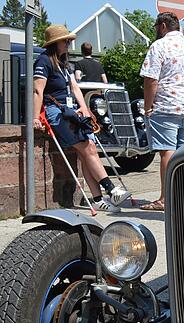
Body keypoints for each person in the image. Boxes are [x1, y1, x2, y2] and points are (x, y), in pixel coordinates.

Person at [32, 25, 130, 212]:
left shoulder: (64, 64)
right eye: (66, 40)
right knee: (88, 148)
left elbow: (75, 87)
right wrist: (36, 117)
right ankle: (111, 189)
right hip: (57, 112)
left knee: (87, 151)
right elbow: (38, 90)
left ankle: (97, 199)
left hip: (72, 111)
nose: (69, 43)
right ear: (55, 43)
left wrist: (84, 107)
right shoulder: (44, 62)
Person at [139, 12, 184, 211]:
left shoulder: (158, 46)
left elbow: (151, 80)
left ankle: (166, 198)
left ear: (164, 26)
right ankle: (183, 195)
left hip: (166, 106)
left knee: (167, 151)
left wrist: (148, 106)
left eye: (156, 27)